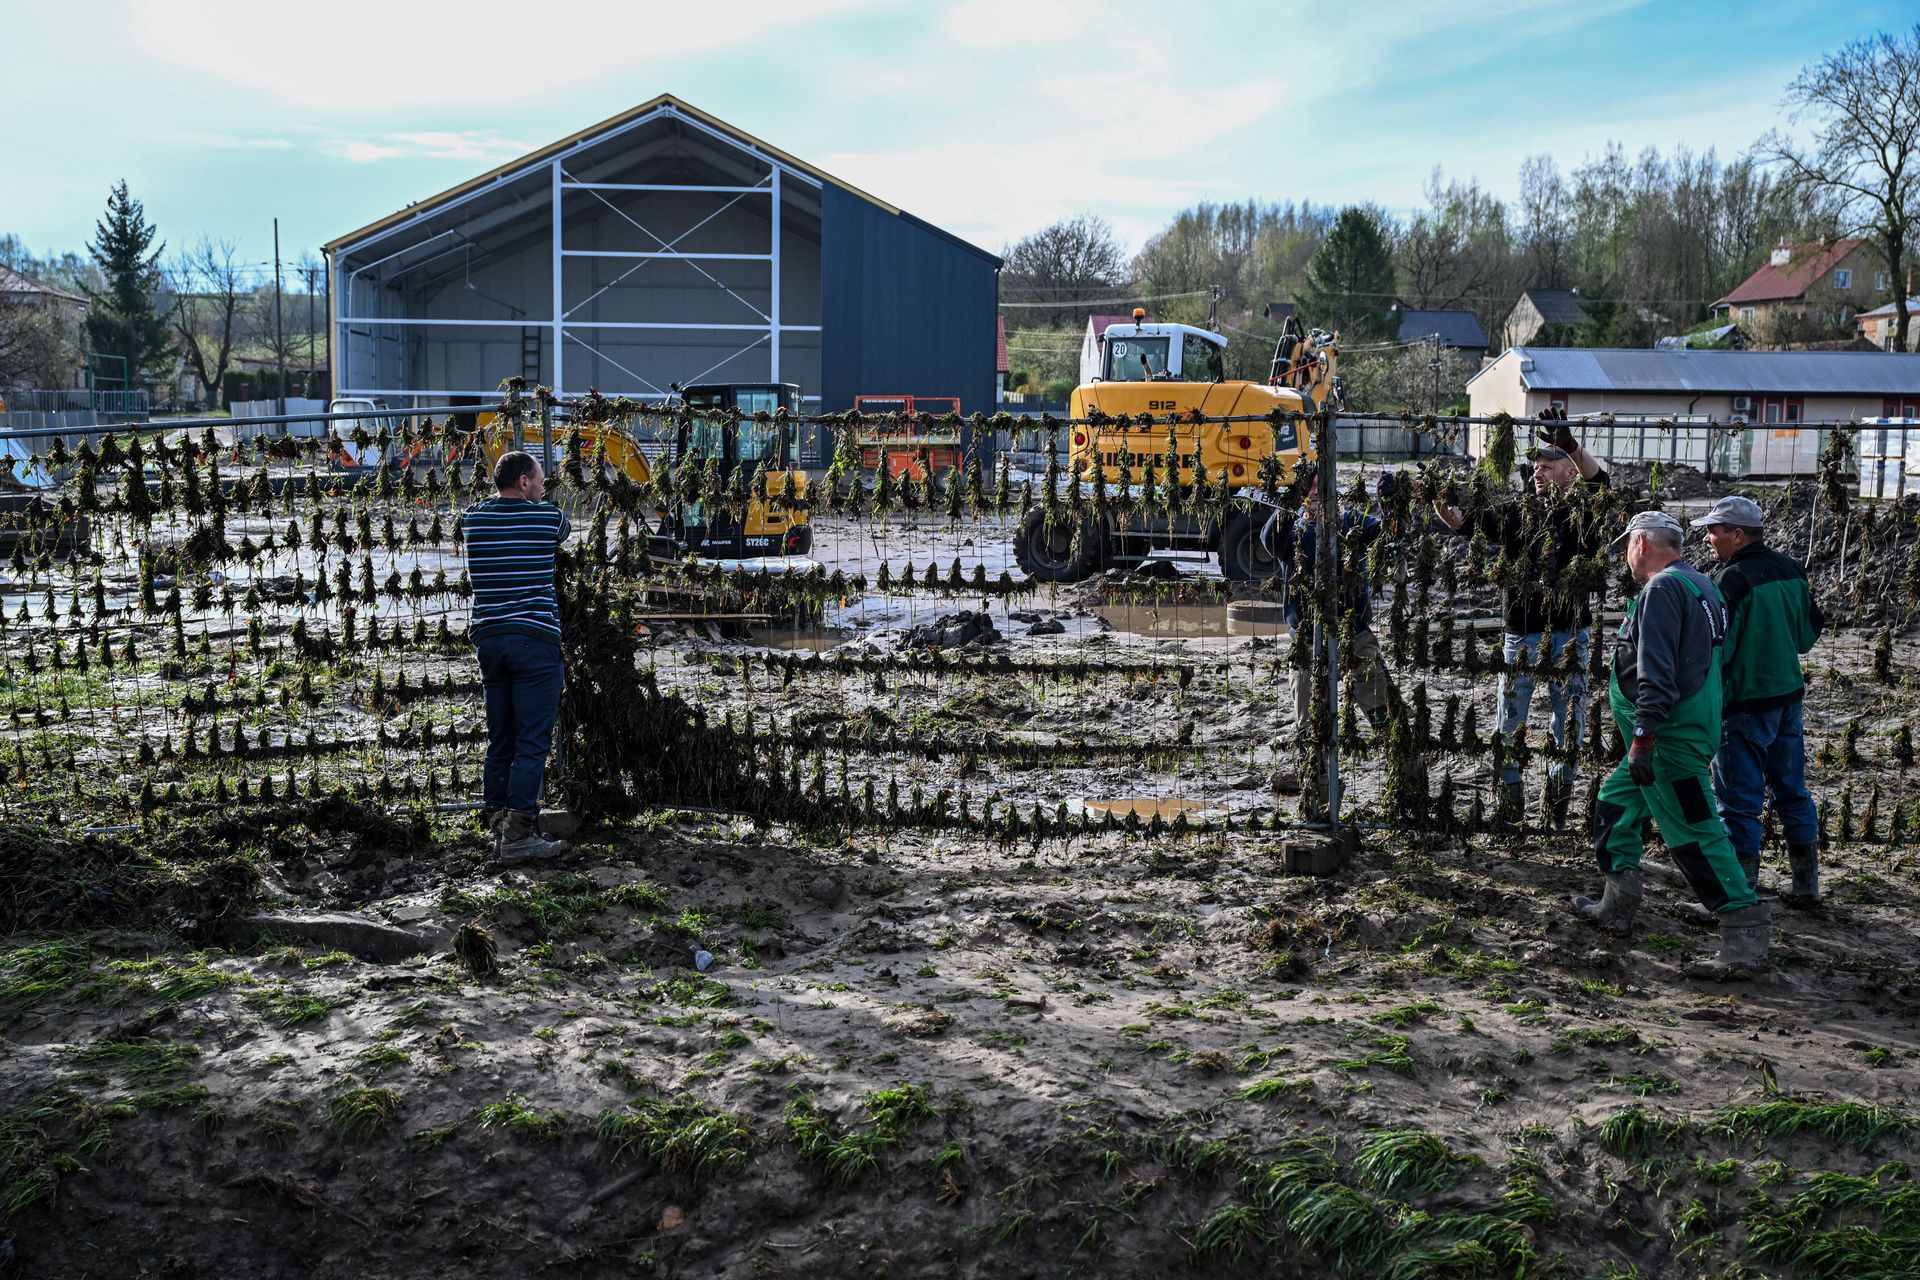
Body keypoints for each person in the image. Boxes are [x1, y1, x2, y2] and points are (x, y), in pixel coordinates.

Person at [1574, 510, 1770, 980]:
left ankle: (1745, 935)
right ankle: (1616, 904)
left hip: (1667, 738)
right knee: (1614, 805)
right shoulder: (1702, 584)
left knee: (1696, 833)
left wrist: (1643, 737)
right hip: (1684, 726)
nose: (1626, 555)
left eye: (1627, 546)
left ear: (1640, 544)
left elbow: (1656, 669)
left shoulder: (1663, 589)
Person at [1431, 411, 1610, 829]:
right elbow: (1464, 523)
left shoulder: (1583, 512)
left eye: (1548, 465)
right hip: (1520, 636)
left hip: (1570, 637)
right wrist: (1436, 497)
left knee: (1568, 726)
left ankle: (1555, 815)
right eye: (1535, 465)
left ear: (1569, 472)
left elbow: (1602, 485)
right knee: (1508, 725)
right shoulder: (1515, 513)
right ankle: (1510, 815)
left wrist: (1571, 445)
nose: (1537, 471)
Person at [1692, 495, 1824, 905]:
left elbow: (1720, 650)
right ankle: (1806, 886)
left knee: (1739, 802)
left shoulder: (1731, 581)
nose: (1708, 539)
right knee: (1792, 791)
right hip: (1788, 698)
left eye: (1713, 531)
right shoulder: (1790, 569)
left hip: (1745, 703)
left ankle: (1739, 892)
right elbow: (1807, 637)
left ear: (1736, 534)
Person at [461, 449, 572, 860]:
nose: (543, 487)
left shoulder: (472, 518)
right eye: (539, 480)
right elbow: (564, 528)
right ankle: (519, 836)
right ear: (524, 482)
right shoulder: (546, 517)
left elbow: (468, 517)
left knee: (501, 739)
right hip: (534, 640)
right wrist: (538, 503)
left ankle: (498, 829)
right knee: (531, 741)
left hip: (489, 640)